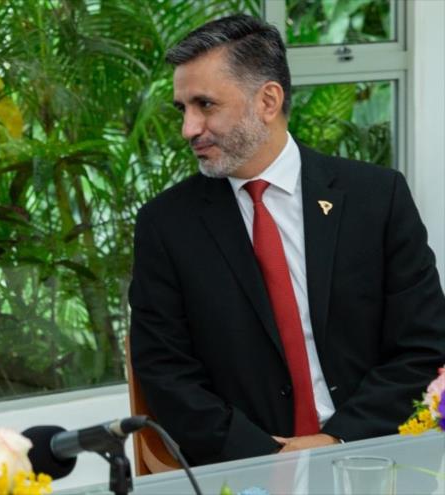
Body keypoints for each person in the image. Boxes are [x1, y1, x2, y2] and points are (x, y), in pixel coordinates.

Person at [129, 14, 445, 466]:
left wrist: (339, 440)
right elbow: (166, 373)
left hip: (374, 456)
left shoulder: (376, 198)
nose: (189, 129)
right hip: (245, 466)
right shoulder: (166, 225)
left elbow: (423, 347)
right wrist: (269, 460)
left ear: (268, 100)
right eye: (183, 109)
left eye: (205, 105)